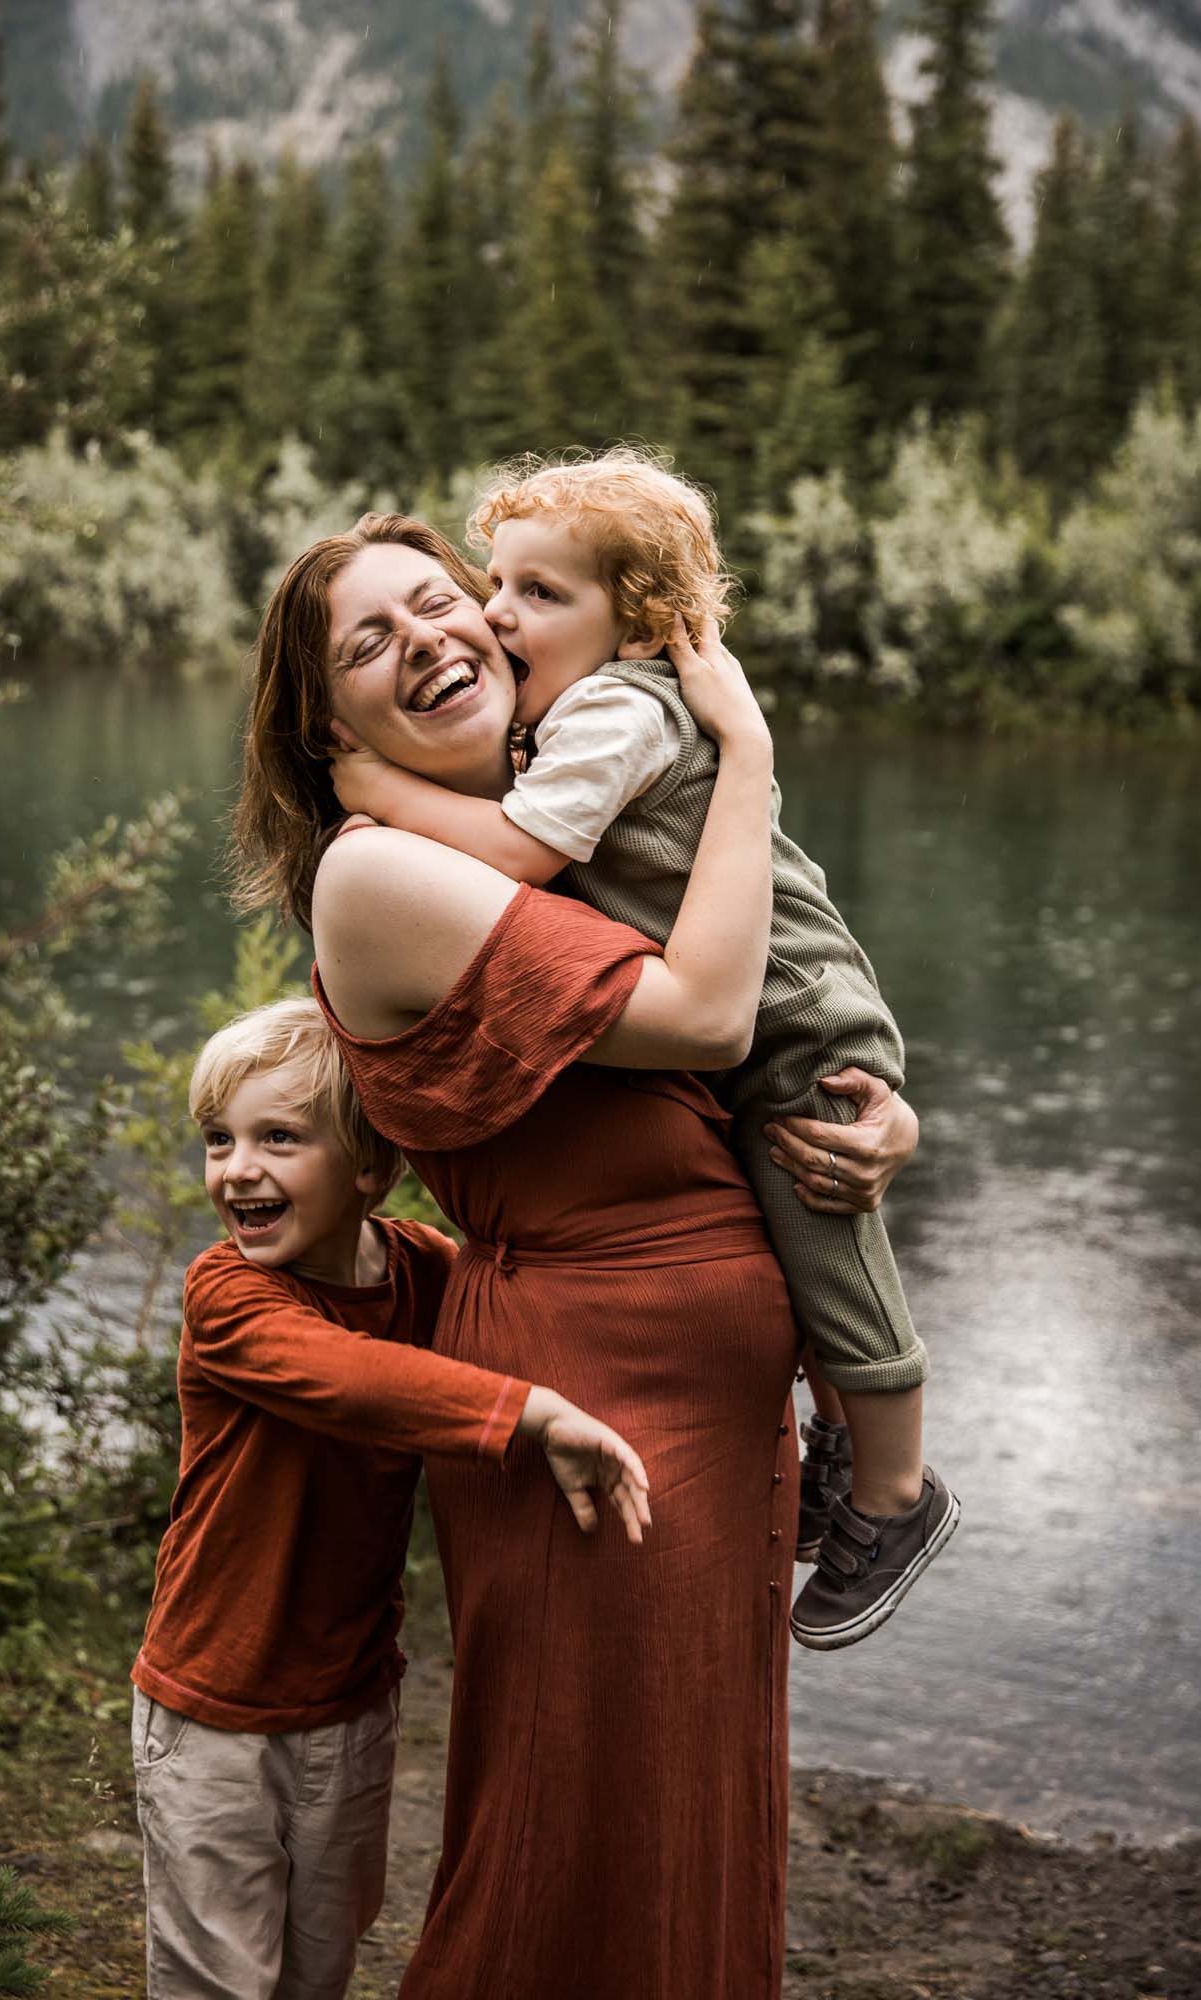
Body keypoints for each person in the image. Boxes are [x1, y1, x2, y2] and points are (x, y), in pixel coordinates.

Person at [232, 512, 907, 1999]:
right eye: (369, 642)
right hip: (591, 1396)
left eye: (439, 603)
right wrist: (748, 750)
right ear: (328, 726)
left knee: (685, 1821)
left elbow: (767, 1027)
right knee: (570, 1829)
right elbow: (706, 1017)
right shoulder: (378, 874)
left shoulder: (574, 824)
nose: (430, 639)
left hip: (715, 1400)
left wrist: (878, 1113)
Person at [326, 448, 957, 1652]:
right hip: (622, 1350)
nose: (493, 616)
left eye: (530, 593)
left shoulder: (608, 718)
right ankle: (853, 1455)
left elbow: (534, 861)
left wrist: (384, 791)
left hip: (792, 1019)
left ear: (635, 625)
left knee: (832, 1242)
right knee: (814, 1224)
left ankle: (892, 1489)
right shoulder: (504, 779)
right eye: (496, 583)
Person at [131, 996, 650, 2000]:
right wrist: (532, 1412)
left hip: (351, 1702)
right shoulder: (227, 1295)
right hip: (212, 1705)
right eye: (219, 1139)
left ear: (371, 1166)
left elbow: (527, 1314)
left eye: (279, 1138)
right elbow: (353, 1378)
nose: (237, 1168)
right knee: (218, 1979)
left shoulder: (421, 1267)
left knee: (318, 1966)